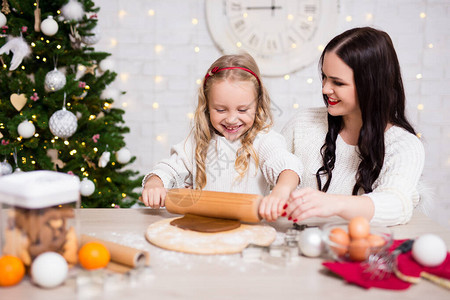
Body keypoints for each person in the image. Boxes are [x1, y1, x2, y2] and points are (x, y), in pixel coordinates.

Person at [277, 27, 425, 226]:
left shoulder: (403, 145)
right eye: (324, 77)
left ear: (370, 85)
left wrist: (333, 203)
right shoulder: (303, 123)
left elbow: (397, 204)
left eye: (338, 83)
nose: (325, 89)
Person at [141, 53, 303, 221]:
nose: (232, 119)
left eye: (242, 110)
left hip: (249, 233)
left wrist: (281, 190)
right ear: (207, 107)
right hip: (203, 231)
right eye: (220, 110)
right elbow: (168, 169)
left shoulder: (264, 140)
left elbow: (287, 165)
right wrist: (154, 183)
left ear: (258, 105)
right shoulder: (199, 141)